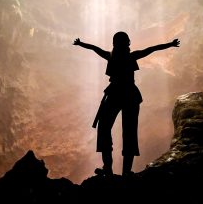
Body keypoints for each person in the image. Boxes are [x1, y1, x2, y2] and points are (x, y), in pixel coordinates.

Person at [73, 31, 180, 177]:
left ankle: (112, 169)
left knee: (110, 128)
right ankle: (121, 171)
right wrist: (170, 44)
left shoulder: (112, 56)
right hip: (129, 95)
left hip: (117, 94)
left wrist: (80, 44)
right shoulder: (128, 56)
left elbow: (94, 48)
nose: (129, 44)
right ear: (124, 43)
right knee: (124, 130)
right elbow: (151, 49)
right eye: (127, 42)